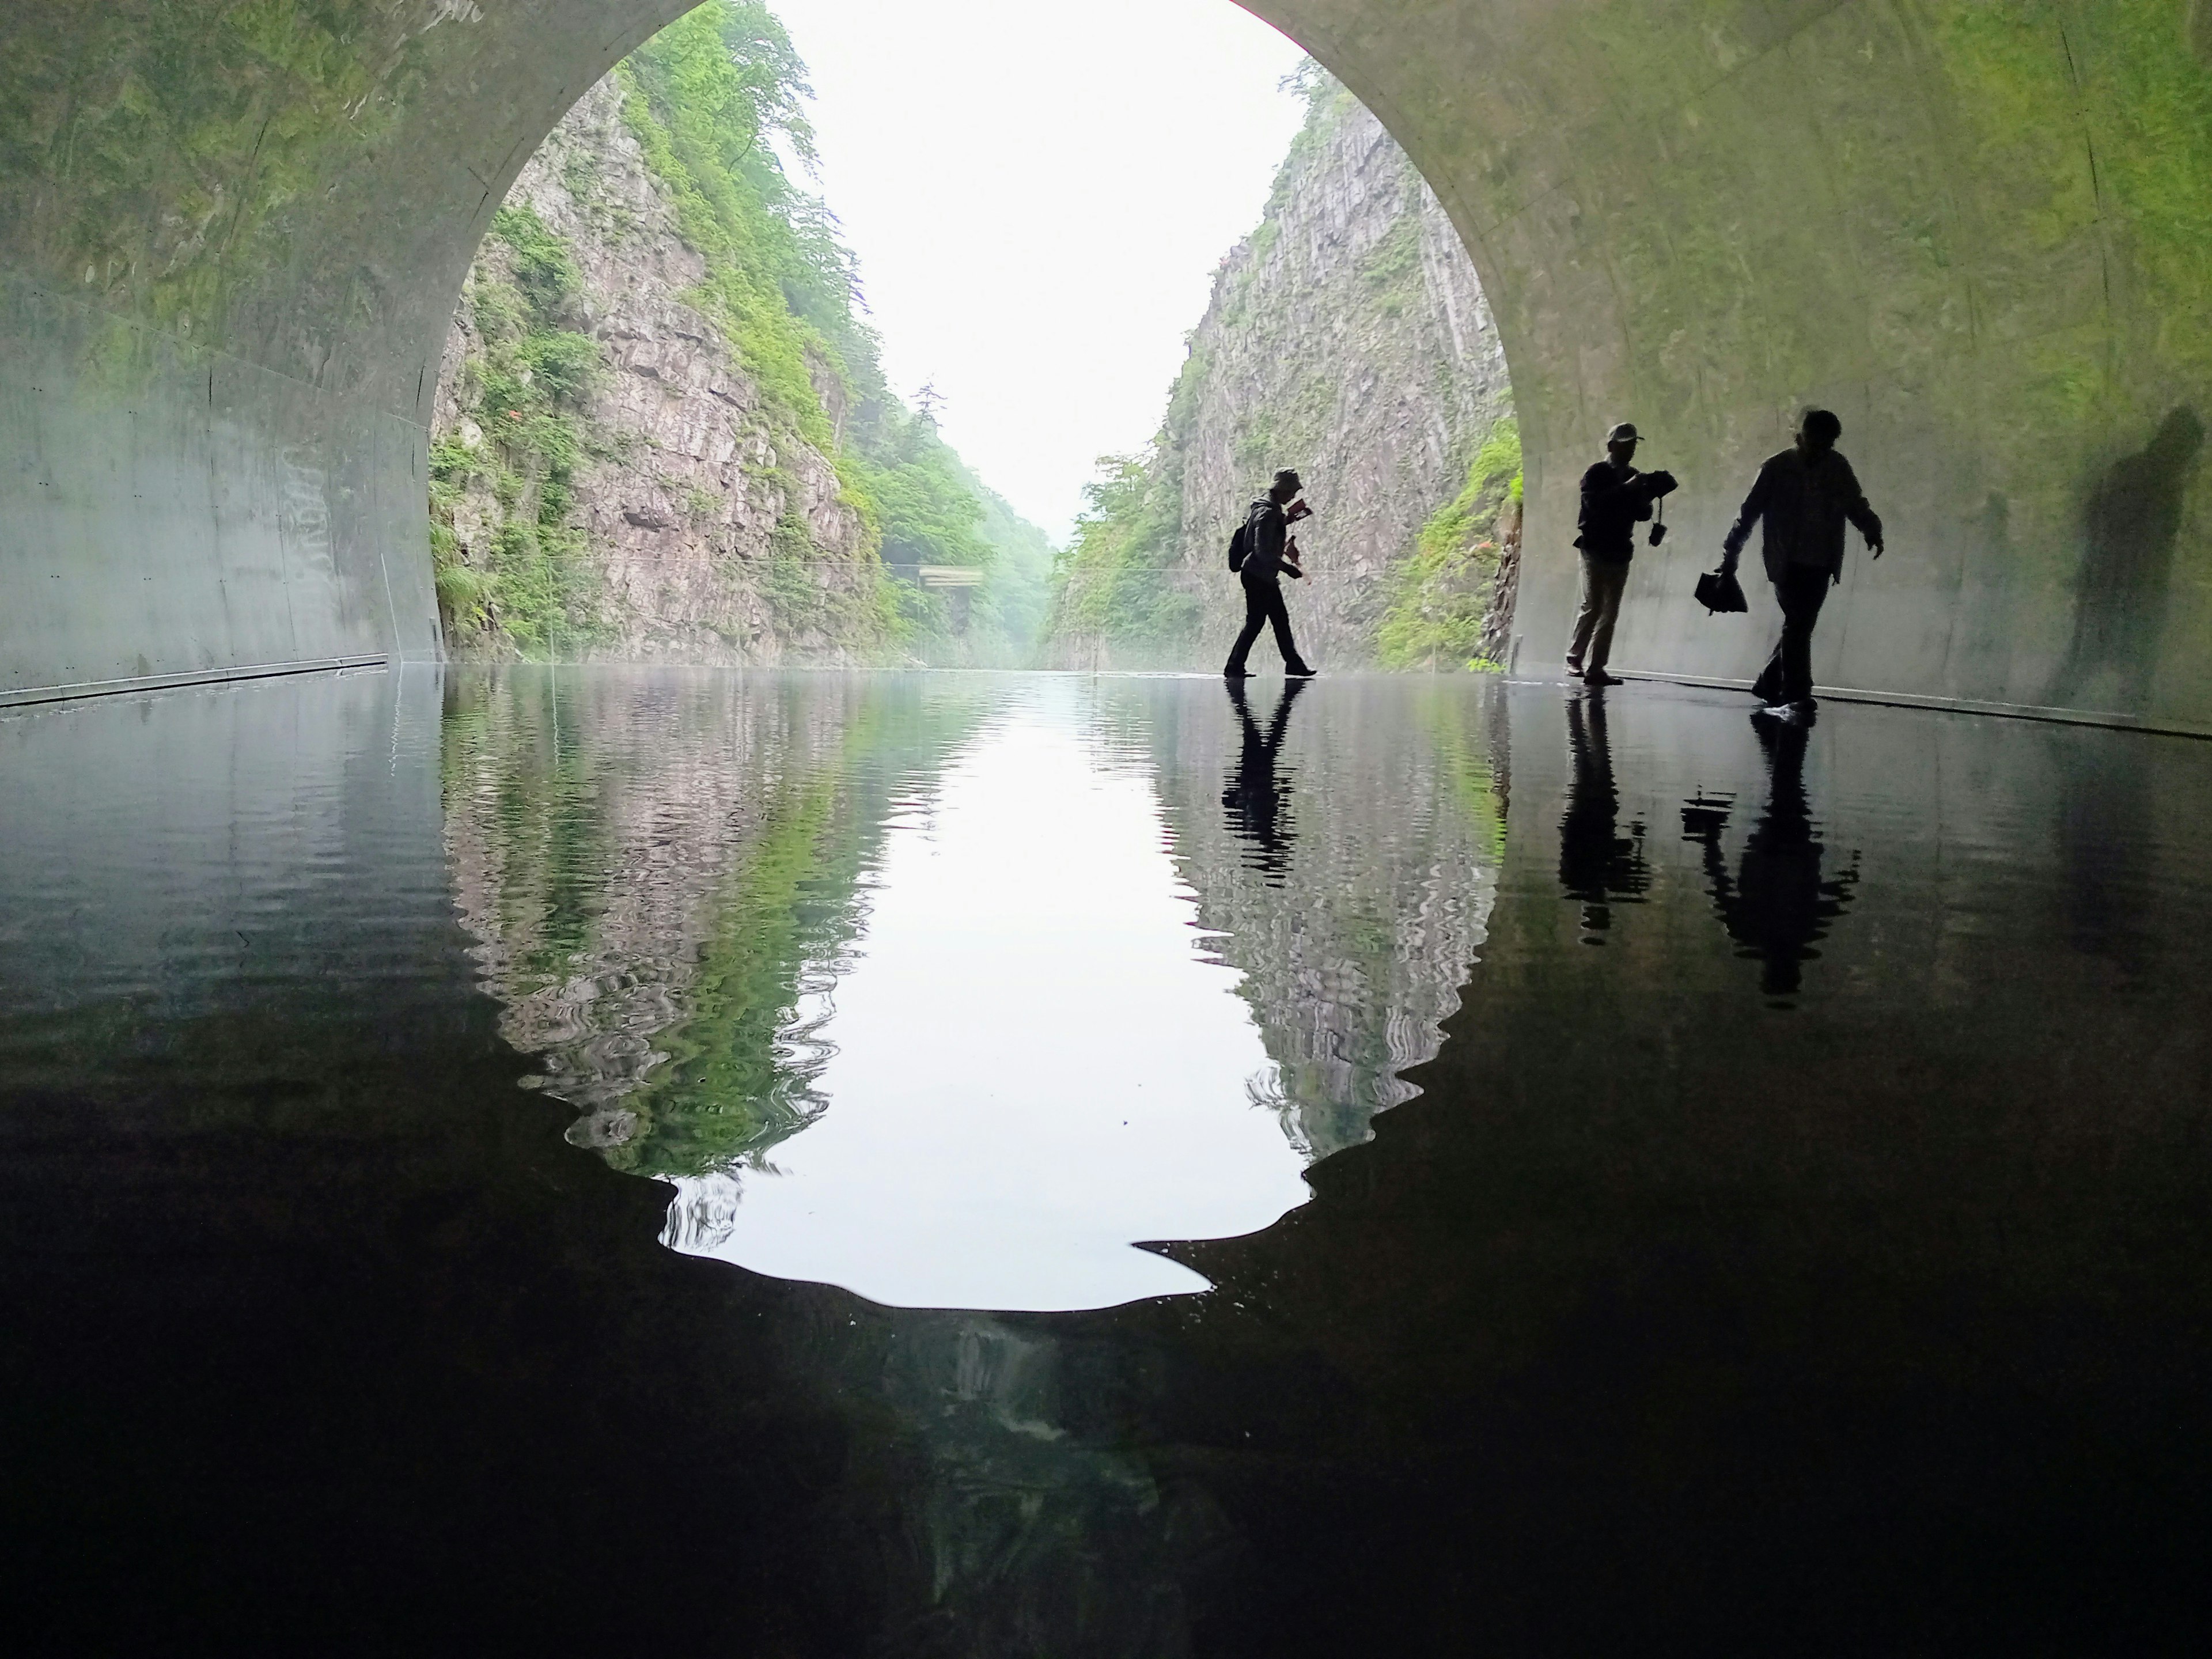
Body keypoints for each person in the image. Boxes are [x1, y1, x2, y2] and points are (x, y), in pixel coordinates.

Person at [1720, 408, 1884, 719]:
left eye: (1828, 443)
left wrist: (1871, 528)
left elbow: (1854, 501)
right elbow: (1749, 512)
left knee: (1801, 623)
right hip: (1787, 559)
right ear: (1800, 437)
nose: (1821, 449)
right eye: (1815, 441)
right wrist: (1730, 555)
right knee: (1798, 622)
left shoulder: (1837, 467)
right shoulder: (1776, 468)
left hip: (1822, 559)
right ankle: (1797, 694)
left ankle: (1770, 684)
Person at [1566, 423, 1677, 685]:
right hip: (1594, 547)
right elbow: (1593, 505)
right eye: (1626, 444)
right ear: (1611, 446)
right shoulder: (1597, 473)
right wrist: (1628, 488)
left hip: (1620, 551)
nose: (1630, 449)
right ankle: (1574, 659)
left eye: (1633, 444)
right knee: (1593, 606)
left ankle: (1596, 668)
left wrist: (1648, 494)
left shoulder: (1635, 475)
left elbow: (1643, 514)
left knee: (1610, 612)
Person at [1225, 469, 1316, 679]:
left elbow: (1266, 534)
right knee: (1266, 621)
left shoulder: (1265, 509)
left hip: (1258, 574)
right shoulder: (1267, 513)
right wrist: (1291, 569)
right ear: (1282, 490)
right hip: (1259, 575)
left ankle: (1240, 665)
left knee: (1270, 620)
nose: (1294, 495)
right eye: (1292, 491)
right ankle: (1236, 666)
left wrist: (1286, 521)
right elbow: (1263, 552)